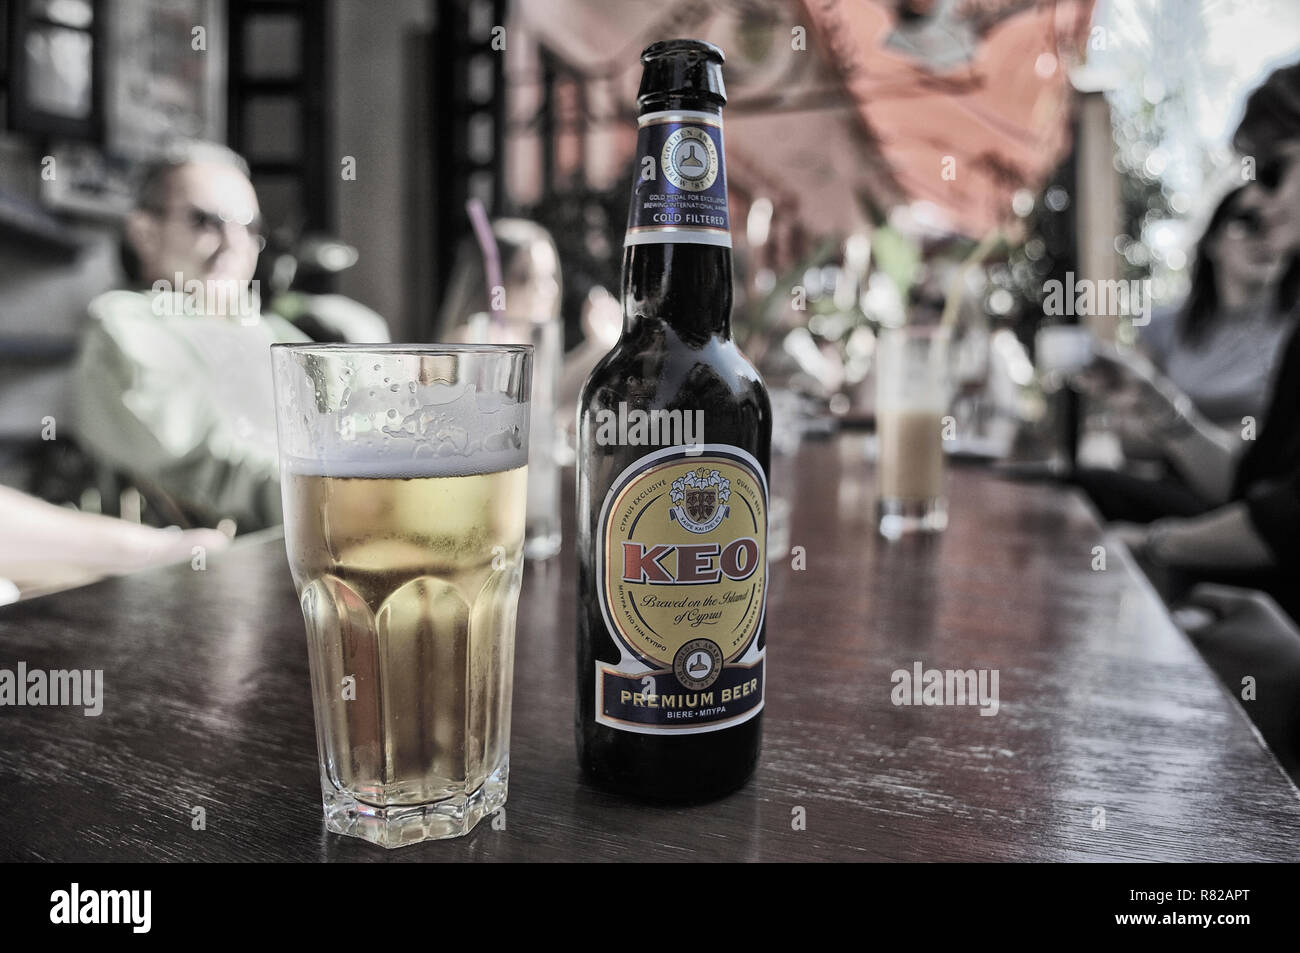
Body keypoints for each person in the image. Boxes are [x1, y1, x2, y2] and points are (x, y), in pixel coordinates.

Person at [1106, 60, 1300, 622]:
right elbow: (1254, 486)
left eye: (1270, 171)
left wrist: (1154, 543)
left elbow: (1282, 520)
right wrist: (1158, 406)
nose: (1260, 202)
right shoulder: (1174, 324)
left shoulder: (1284, 328)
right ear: (1211, 243)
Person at [71, 141, 310, 533]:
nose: (235, 245)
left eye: (249, 227)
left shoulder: (273, 330)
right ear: (145, 233)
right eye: (207, 221)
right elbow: (206, 464)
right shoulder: (127, 324)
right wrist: (339, 493)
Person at [1075, 186, 1297, 522]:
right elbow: (1127, 436)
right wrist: (1217, 436)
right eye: (1248, 222)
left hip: (1257, 512)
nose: (1266, 237)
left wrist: (1165, 420)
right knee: (1072, 488)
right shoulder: (1163, 326)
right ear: (1212, 242)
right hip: (1174, 494)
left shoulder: (1293, 334)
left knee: (1087, 486)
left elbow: (1271, 458)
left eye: (1280, 223)